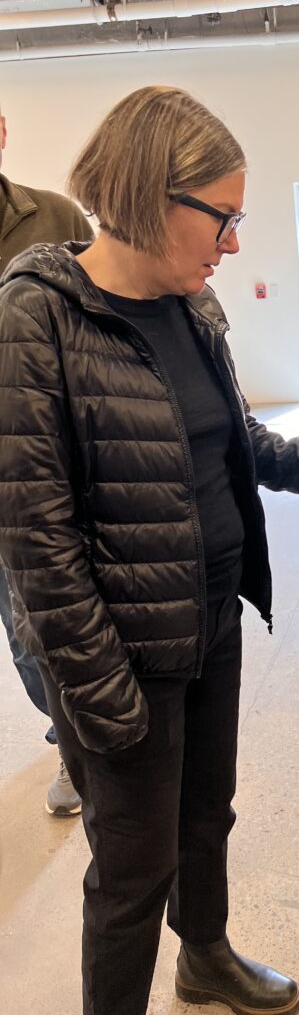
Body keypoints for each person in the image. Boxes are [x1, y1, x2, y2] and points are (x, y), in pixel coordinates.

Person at [0, 85, 299, 1015]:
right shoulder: (37, 318)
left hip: (209, 620)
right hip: (121, 654)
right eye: (223, 218)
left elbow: (240, 440)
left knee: (204, 817)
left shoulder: (194, 308)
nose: (232, 243)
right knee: (132, 866)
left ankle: (206, 958)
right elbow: (34, 539)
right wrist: (100, 690)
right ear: (154, 196)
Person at [0, 99, 93, 817]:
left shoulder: (56, 218)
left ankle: (80, 739)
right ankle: (67, 730)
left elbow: (107, 319)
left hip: (50, 464)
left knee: (51, 619)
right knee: (21, 635)